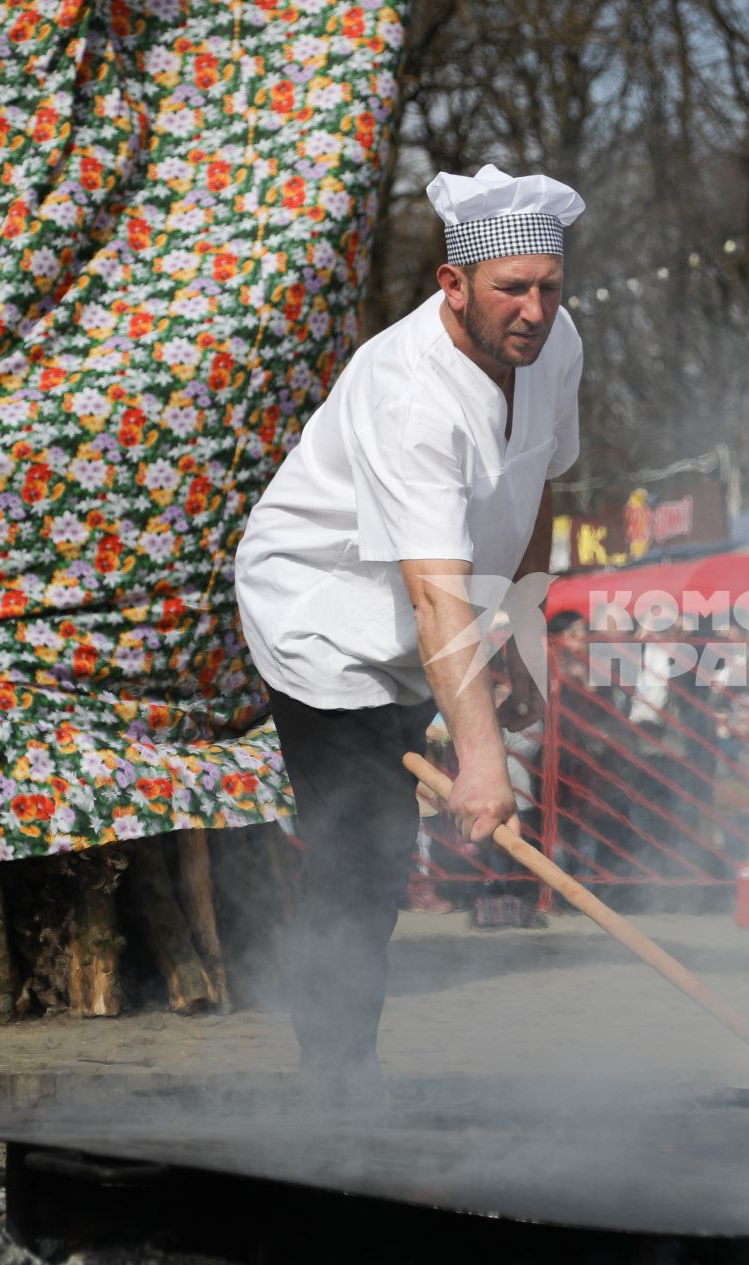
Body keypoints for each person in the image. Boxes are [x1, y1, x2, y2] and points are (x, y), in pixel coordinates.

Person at [234, 164, 584, 1101]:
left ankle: (344, 1066)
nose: (534, 310)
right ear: (454, 284)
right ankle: (338, 1079)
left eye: (549, 286)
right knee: (365, 849)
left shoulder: (554, 345)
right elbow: (432, 593)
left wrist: (516, 630)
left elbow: (540, 477)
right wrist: (482, 762)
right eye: (512, 288)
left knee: (381, 847)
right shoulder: (408, 391)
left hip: (435, 617)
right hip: (326, 621)